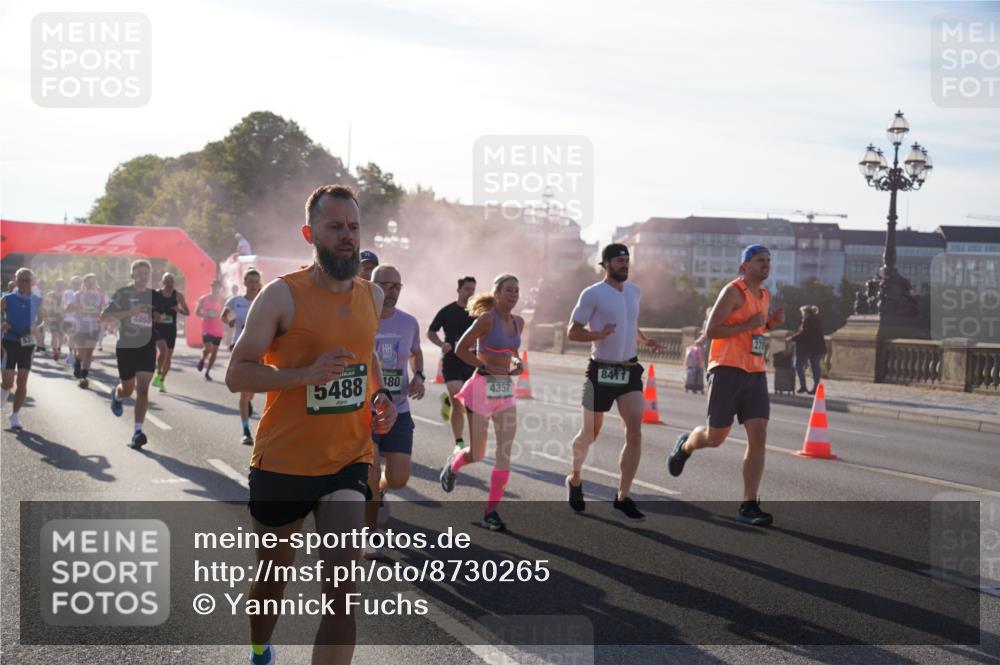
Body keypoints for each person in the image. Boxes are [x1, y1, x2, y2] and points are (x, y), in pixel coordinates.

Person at [225, 183, 396, 665]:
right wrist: (306, 374)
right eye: (335, 226)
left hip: (348, 459)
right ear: (310, 232)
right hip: (284, 460)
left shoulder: (373, 294)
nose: (347, 236)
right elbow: (237, 373)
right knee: (272, 578)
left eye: (354, 227)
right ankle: (260, 648)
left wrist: (378, 394)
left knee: (343, 589)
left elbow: (364, 359)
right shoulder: (282, 295)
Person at [667, 244, 785, 526]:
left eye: (768, 261)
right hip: (726, 370)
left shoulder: (765, 294)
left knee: (759, 435)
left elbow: (755, 328)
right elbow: (712, 331)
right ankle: (686, 445)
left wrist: (768, 326)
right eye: (760, 261)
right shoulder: (733, 291)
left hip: (755, 372)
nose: (765, 265)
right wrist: (751, 324)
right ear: (745, 265)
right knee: (715, 437)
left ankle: (748, 504)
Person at [564, 244, 663, 521]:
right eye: (619, 261)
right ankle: (574, 479)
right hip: (600, 371)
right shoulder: (592, 294)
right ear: (605, 264)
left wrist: (645, 340)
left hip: (629, 371)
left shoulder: (634, 292)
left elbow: (630, 323)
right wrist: (598, 334)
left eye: (627, 260)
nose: (624, 265)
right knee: (589, 434)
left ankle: (622, 497)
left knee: (634, 433)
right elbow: (572, 332)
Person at [439, 274, 524, 532]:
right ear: (496, 295)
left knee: (505, 452)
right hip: (482, 389)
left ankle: (491, 511)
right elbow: (461, 348)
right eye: (508, 290)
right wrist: (482, 366)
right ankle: (453, 466)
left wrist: (517, 363)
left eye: (517, 290)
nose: (514, 294)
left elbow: (513, 353)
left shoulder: (519, 322)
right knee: (477, 454)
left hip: (504, 389)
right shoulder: (487, 320)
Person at [363, 264, 425, 558]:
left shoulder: (409, 322)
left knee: (398, 477)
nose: (392, 291)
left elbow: (416, 351)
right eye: (386, 285)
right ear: (373, 285)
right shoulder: (360, 319)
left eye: (397, 286)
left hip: (399, 408)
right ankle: (370, 532)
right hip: (365, 412)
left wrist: (419, 376)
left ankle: (381, 491)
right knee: (371, 473)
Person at [101, 259, 161, 449]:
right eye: (139, 274)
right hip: (126, 347)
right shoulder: (123, 294)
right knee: (127, 390)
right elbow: (105, 316)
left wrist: (158, 317)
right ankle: (117, 396)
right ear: (132, 275)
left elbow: (161, 317)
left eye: (146, 274)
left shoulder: (154, 296)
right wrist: (130, 312)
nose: (143, 277)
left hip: (147, 347)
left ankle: (137, 431)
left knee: (142, 389)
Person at [427, 276, 477, 450]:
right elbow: (431, 332)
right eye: (467, 289)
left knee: (471, 404)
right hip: (452, 360)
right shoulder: (447, 311)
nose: (470, 293)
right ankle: (459, 442)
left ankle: (475, 442)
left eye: (473, 289)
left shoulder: (478, 313)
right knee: (458, 401)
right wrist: (442, 345)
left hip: (472, 361)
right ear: (459, 290)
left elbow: (488, 333)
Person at [222, 268, 262, 445]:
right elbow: (224, 315)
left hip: (260, 348)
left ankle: (247, 403)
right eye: (250, 281)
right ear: (244, 282)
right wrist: (230, 320)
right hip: (239, 346)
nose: (253, 284)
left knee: (251, 390)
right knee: (245, 392)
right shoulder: (236, 301)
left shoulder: (264, 299)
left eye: (256, 281)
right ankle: (246, 430)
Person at [1, 268, 43, 430]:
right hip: (10, 340)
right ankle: (3, 393)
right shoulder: (7, 299)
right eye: (22, 280)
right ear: (16, 281)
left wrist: (37, 327)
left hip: (27, 341)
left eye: (28, 280)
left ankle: (15, 416)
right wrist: (2, 325)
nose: (25, 283)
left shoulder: (38, 300)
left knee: (22, 379)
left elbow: (43, 319)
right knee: (8, 381)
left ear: (33, 282)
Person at [152, 273, 190, 393]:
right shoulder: (157, 294)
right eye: (167, 281)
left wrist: (179, 310)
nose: (169, 284)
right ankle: (158, 373)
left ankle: (161, 380)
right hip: (158, 328)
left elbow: (187, 312)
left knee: (168, 357)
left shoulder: (178, 295)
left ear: (174, 283)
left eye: (171, 281)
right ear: (162, 282)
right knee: (162, 351)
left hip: (171, 329)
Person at [70, 274, 107, 389]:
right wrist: (76, 307)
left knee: (89, 353)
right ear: (84, 283)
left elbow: (105, 310)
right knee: (80, 353)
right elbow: (68, 309)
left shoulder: (100, 296)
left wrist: (103, 315)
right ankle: (77, 362)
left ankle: (84, 377)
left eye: (92, 282)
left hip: (94, 327)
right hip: (80, 327)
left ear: (95, 283)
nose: (90, 284)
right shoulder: (77, 295)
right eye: (88, 282)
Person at [787, 305, 826, 394]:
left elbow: (803, 333)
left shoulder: (807, 321)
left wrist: (791, 338)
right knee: (815, 367)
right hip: (818, 348)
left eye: (802, 313)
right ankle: (816, 387)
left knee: (798, 366)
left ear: (806, 313)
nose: (802, 315)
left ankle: (803, 386)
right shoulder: (817, 320)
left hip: (807, 349)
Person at [195, 280, 226, 381]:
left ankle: (207, 372)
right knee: (208, 348)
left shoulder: (223, 300)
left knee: (214, 352)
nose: (215, 289)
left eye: (217, 287)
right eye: (213, 287)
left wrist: (218, 315)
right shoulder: (204, 299)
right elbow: (197, 312)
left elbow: (226, 314)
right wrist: (205, 314)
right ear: (211, 287)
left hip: (218, 328)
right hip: (206, 327)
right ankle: (202, 359)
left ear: (220, 288)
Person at [42, 279, 67, 361]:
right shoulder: (50, 294)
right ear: (55, 285)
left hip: (63, 318)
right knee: (54, 335)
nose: (60, 286)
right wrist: (47, 316)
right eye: (58, 284)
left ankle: (58, 349)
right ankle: (55, 351)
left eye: (61, 284)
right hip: (53, 317)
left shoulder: (65, 294)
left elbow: (68, 306)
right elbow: (45, 306)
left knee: (61, 336)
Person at [63, 275, 82, 372]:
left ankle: (77, 355)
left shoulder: (83, 293)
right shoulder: (67, 293)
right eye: (74, 283)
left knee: (78, 339)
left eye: (78, 283)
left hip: (80, 319)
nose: (76, 285)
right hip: (69, 319)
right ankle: (71, 355)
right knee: (72, 337)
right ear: (71, 284)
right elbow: (65, 305)